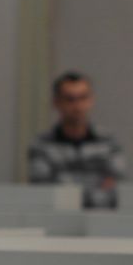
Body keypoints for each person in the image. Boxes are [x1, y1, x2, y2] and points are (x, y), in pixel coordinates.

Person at [28, 71, 126, 208]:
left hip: (101, 218)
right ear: (56, 102)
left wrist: (65, 184)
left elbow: (117, 188)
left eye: (83, 98)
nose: (78, 106)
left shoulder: (108, 142)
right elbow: (44, 191)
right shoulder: (42, 145)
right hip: (57, 218)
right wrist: (95, 187)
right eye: (70, 99)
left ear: (91, 100)